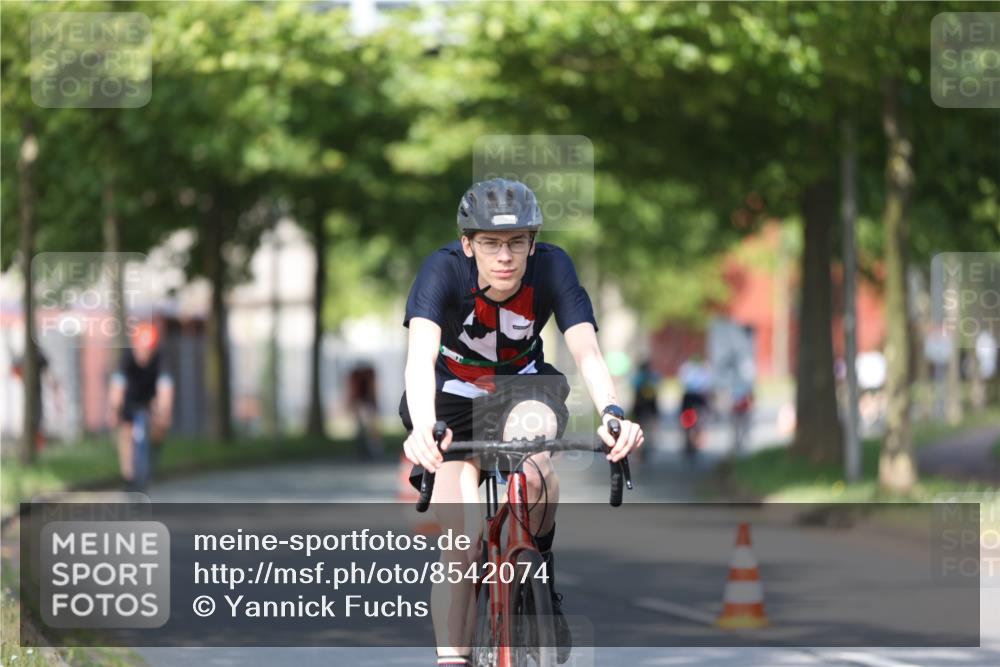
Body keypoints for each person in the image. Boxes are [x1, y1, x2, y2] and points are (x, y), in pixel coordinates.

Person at [399, 178, 644, 666]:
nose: (504, 256)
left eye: (516, 242)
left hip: (524, 390)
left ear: (533, 243)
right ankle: (453, 658)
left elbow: (587, 351)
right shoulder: (442, 270)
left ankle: (538, 565)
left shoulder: (553, 266)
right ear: (468, 245)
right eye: (490, 243)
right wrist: (423, 426)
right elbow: (419, 358)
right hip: (451, 398)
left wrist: (613, 413)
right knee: (462, 543)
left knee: (533, 470)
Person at [107, 323, 174, 492]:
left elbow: (165, 388)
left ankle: (154, 450)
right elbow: (117, 387)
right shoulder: (126, 357)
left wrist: (165, 412)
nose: (145, 353)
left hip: (151, 397)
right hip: (131, 397)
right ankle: (128, 476)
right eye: (142, 349)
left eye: (149, 349)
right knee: (126, 432)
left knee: (159, 423)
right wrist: (114, 410)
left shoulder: (161, 357)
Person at [347, 362, 382, 459]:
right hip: (362, 404)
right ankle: (366, 450)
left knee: (367, 430)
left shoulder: (362, 376)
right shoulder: (365, 376)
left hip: (364, 404)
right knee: (366, 430)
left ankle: (369, 450)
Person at [630, 360, 661, 458]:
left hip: (641, 406)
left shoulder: (639, 377)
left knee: (640, 427)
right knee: (649, 426)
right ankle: (647, 445)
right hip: (649, 406)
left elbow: (633, 386)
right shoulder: (652, 377)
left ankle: (641, 449)